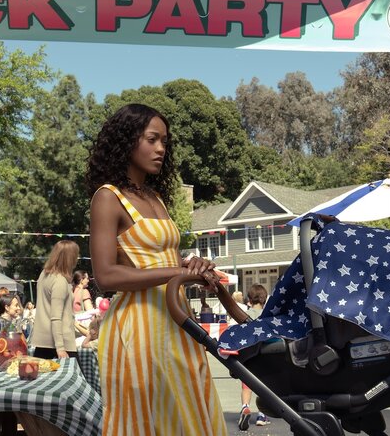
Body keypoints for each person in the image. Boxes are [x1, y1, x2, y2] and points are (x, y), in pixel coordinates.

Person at [87, 103, 227, 436]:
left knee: (191, 411)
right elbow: (106, 276)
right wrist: (177, 274)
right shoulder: (108, 198)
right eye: (152, 139)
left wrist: (192, 267)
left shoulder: (156, 197)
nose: (161, 149)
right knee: (145, 420)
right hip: (138, 326)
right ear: (128, 140)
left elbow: (165, 262)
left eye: (165, 141)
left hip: (177, 320)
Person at [30, 240, 79, 360]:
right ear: (69, 258)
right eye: (76, 255)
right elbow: (56, 317)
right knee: (74, 377)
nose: (77, 259)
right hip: (60, 344)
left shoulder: (43, 275)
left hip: (42, 342)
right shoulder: (60, 281)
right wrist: (60, 347)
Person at [238, 284, 271, 428]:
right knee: (264, 386)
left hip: (248, 356)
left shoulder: (244, 315)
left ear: (249, 299)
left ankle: (245, 407)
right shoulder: (267, 316)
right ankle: (262, 414)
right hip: (264, 356)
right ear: (264, 299)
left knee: (247, 385)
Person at [0, 294, 23, 359]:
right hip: (1, 361)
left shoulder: (13, 322)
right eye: (16, 305)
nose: (18, 308)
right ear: (7, 307)